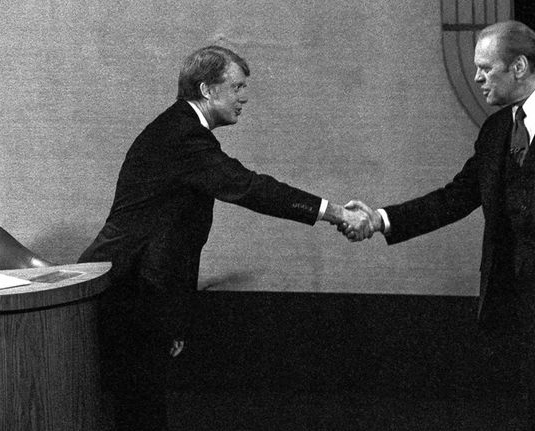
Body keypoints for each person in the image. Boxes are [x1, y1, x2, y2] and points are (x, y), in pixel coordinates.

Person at [344, 20, 535, 430]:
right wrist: (381, 219)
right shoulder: (495, 131)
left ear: (519, 66)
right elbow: (455, 197)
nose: (478, 77)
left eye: (486, 67)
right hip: (529, 308)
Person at [78, 45, 373, 430]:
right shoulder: (182, 136)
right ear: (207, 89)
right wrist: (335, 212)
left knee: (143, 410)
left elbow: (176, 238)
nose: (244, 97)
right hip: (130, 294)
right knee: (139, 413)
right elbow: (249, 188)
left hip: (141, 295)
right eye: (237, 86)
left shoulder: (179, 130)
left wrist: (176, 317)